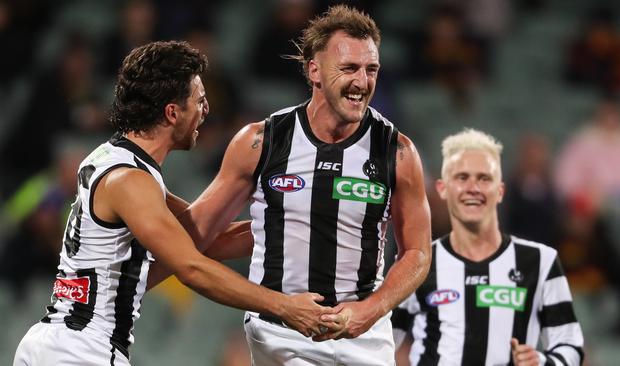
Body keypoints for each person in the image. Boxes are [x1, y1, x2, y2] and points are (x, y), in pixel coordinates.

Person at [13, 40, 335, 366]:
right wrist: (286, 306)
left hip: (56, 343)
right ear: (172, 112)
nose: (206, 110)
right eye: (200, 101)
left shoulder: (114, 161)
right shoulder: (131, 181)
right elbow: (191, 268)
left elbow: (201, 237)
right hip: (82, 351)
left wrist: (289, 226)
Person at [177, 5, 432, 365]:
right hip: (281, 335)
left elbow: (417, 254)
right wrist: (147, 203)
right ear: (314, 69)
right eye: (348, 68)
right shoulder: (261, 142)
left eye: (370, 69)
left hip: (364, 336)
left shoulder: (398, 152)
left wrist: (371, 309)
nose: (362, 81)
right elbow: (197, 235)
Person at [392, 129, 584, 365]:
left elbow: (570, 345)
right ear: (442, 188)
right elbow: (383, 341)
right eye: (462, 178)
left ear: (500, 190)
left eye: (484, 178)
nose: (473, 187)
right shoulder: (416, 261)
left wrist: (543, 362)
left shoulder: (540, 261)